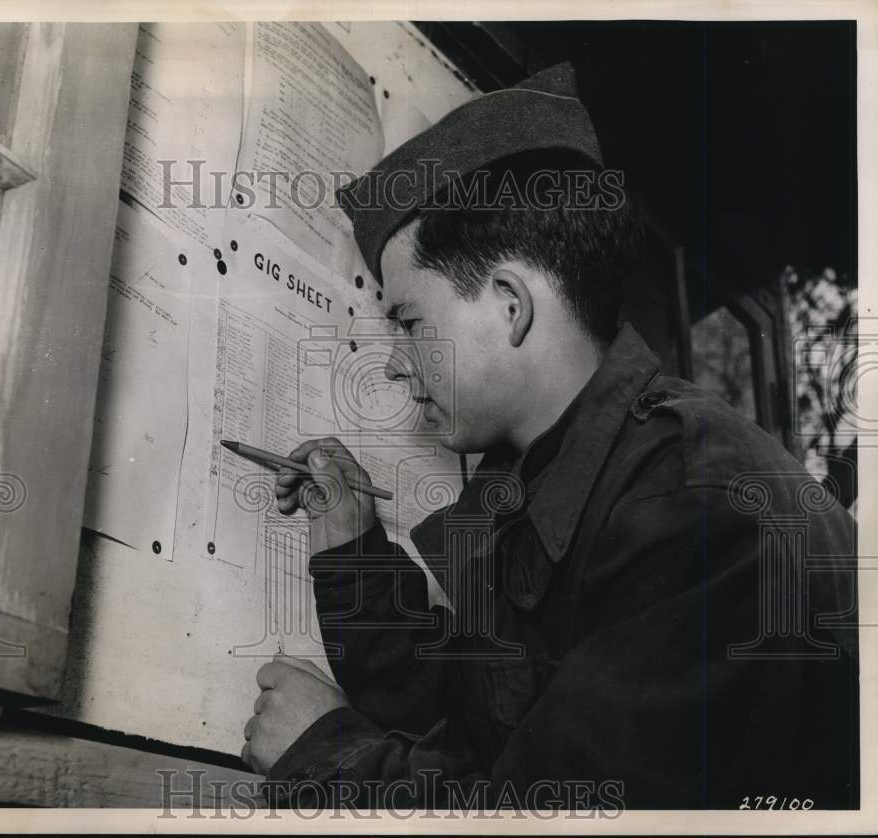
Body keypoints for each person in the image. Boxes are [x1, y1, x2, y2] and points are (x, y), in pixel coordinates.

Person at [239, 62, 859, 810]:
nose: (398, 368)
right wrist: (351, 547)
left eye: (409, 322)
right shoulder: (560, 473)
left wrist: (322, 753)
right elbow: (480, 715)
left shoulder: (704, 510)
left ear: (508, 305)